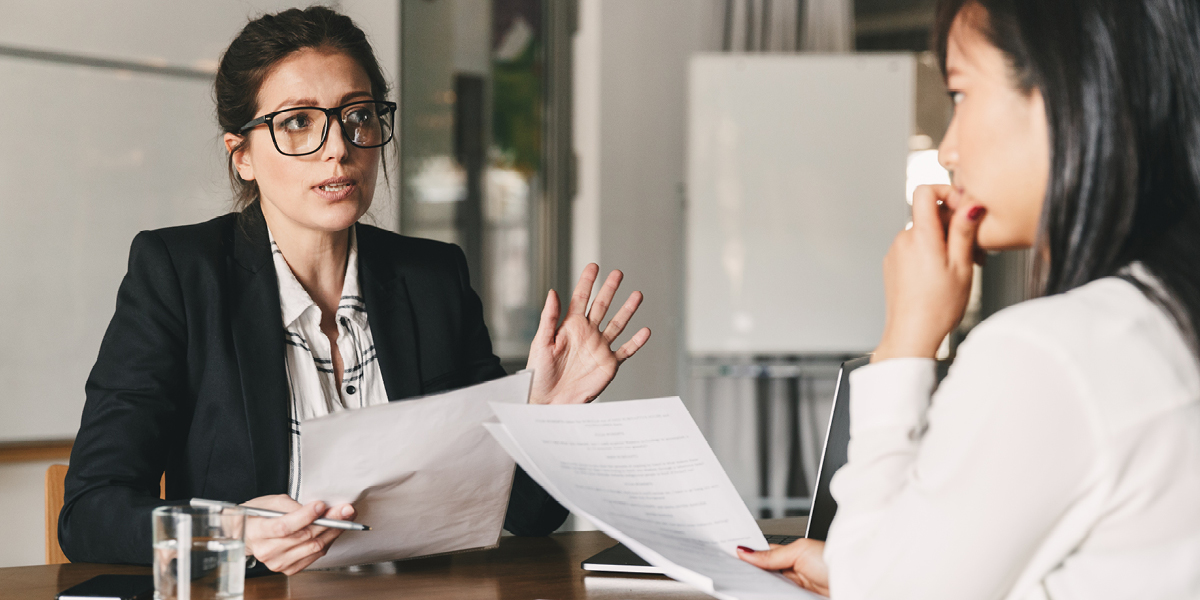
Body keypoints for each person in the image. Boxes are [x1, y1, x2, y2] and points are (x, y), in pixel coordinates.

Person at [59, 6, 651, 575]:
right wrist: (237, 532)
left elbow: (529, 516)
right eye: (297, 122)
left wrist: (549, 415)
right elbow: (90, 512)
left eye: (358, 116)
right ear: (242, 156)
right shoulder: (180, 275)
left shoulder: (432, 279)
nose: (338, 147)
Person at [739, 0, 1200, 597]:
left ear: (1067, 92)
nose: (949, 149)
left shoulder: (1046, 353)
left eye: (960, 94)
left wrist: (906, 337)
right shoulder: (1162, 320)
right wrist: (864, 568)